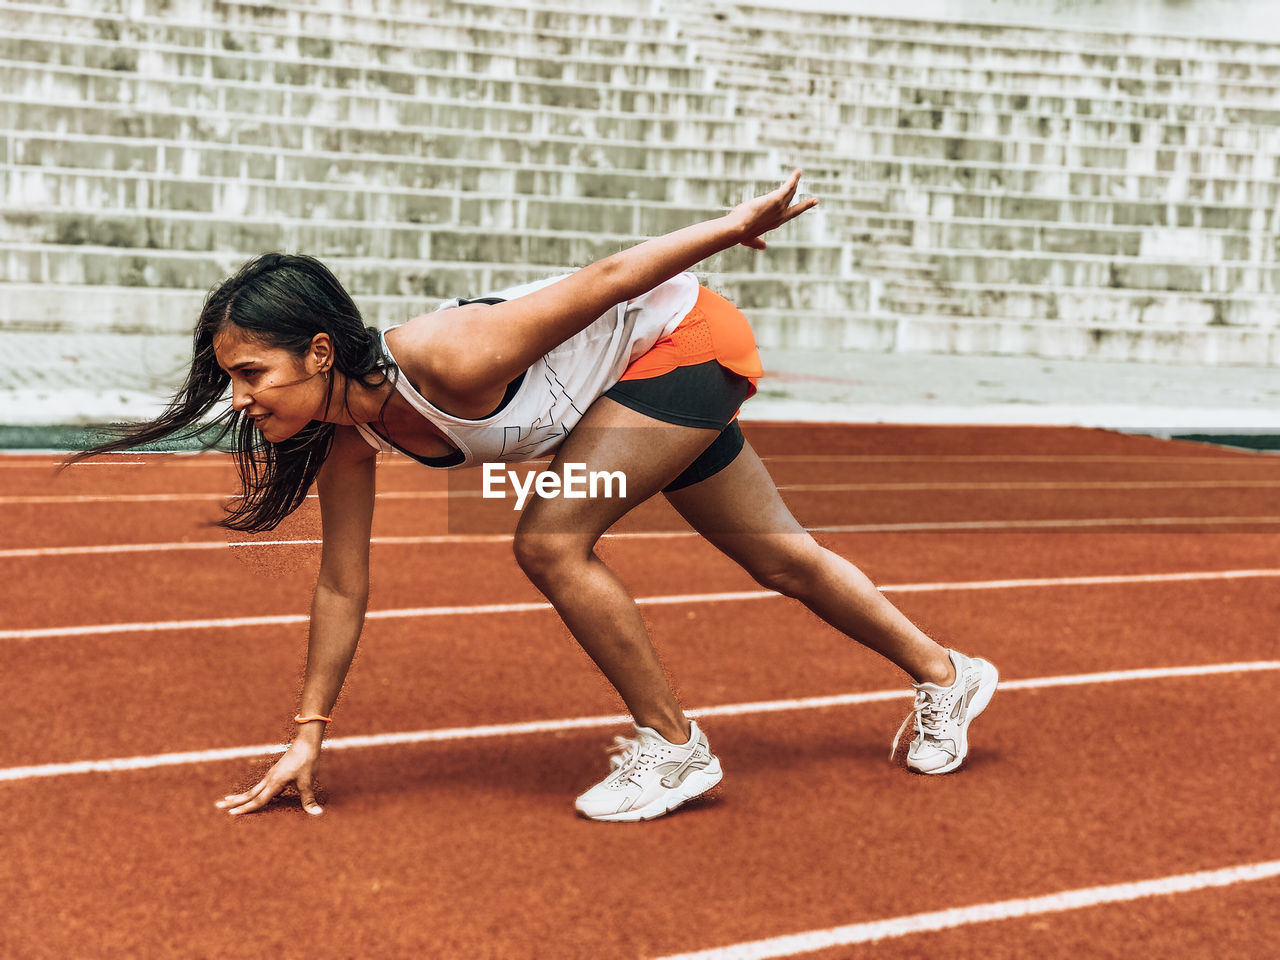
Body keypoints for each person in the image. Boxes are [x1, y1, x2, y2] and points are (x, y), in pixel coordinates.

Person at [72, 170, 998, 822]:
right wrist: (310, 733)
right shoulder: (347, 438)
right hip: (621, 394)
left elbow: (604, 281)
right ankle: (949, 676)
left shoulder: (449, 358)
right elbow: (342, 586)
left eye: (249, 373)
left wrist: (732, 228)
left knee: (550, 539)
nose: (240, 398)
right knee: (780, 556)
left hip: (682, 346)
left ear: (320, 351)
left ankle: (674, 747)